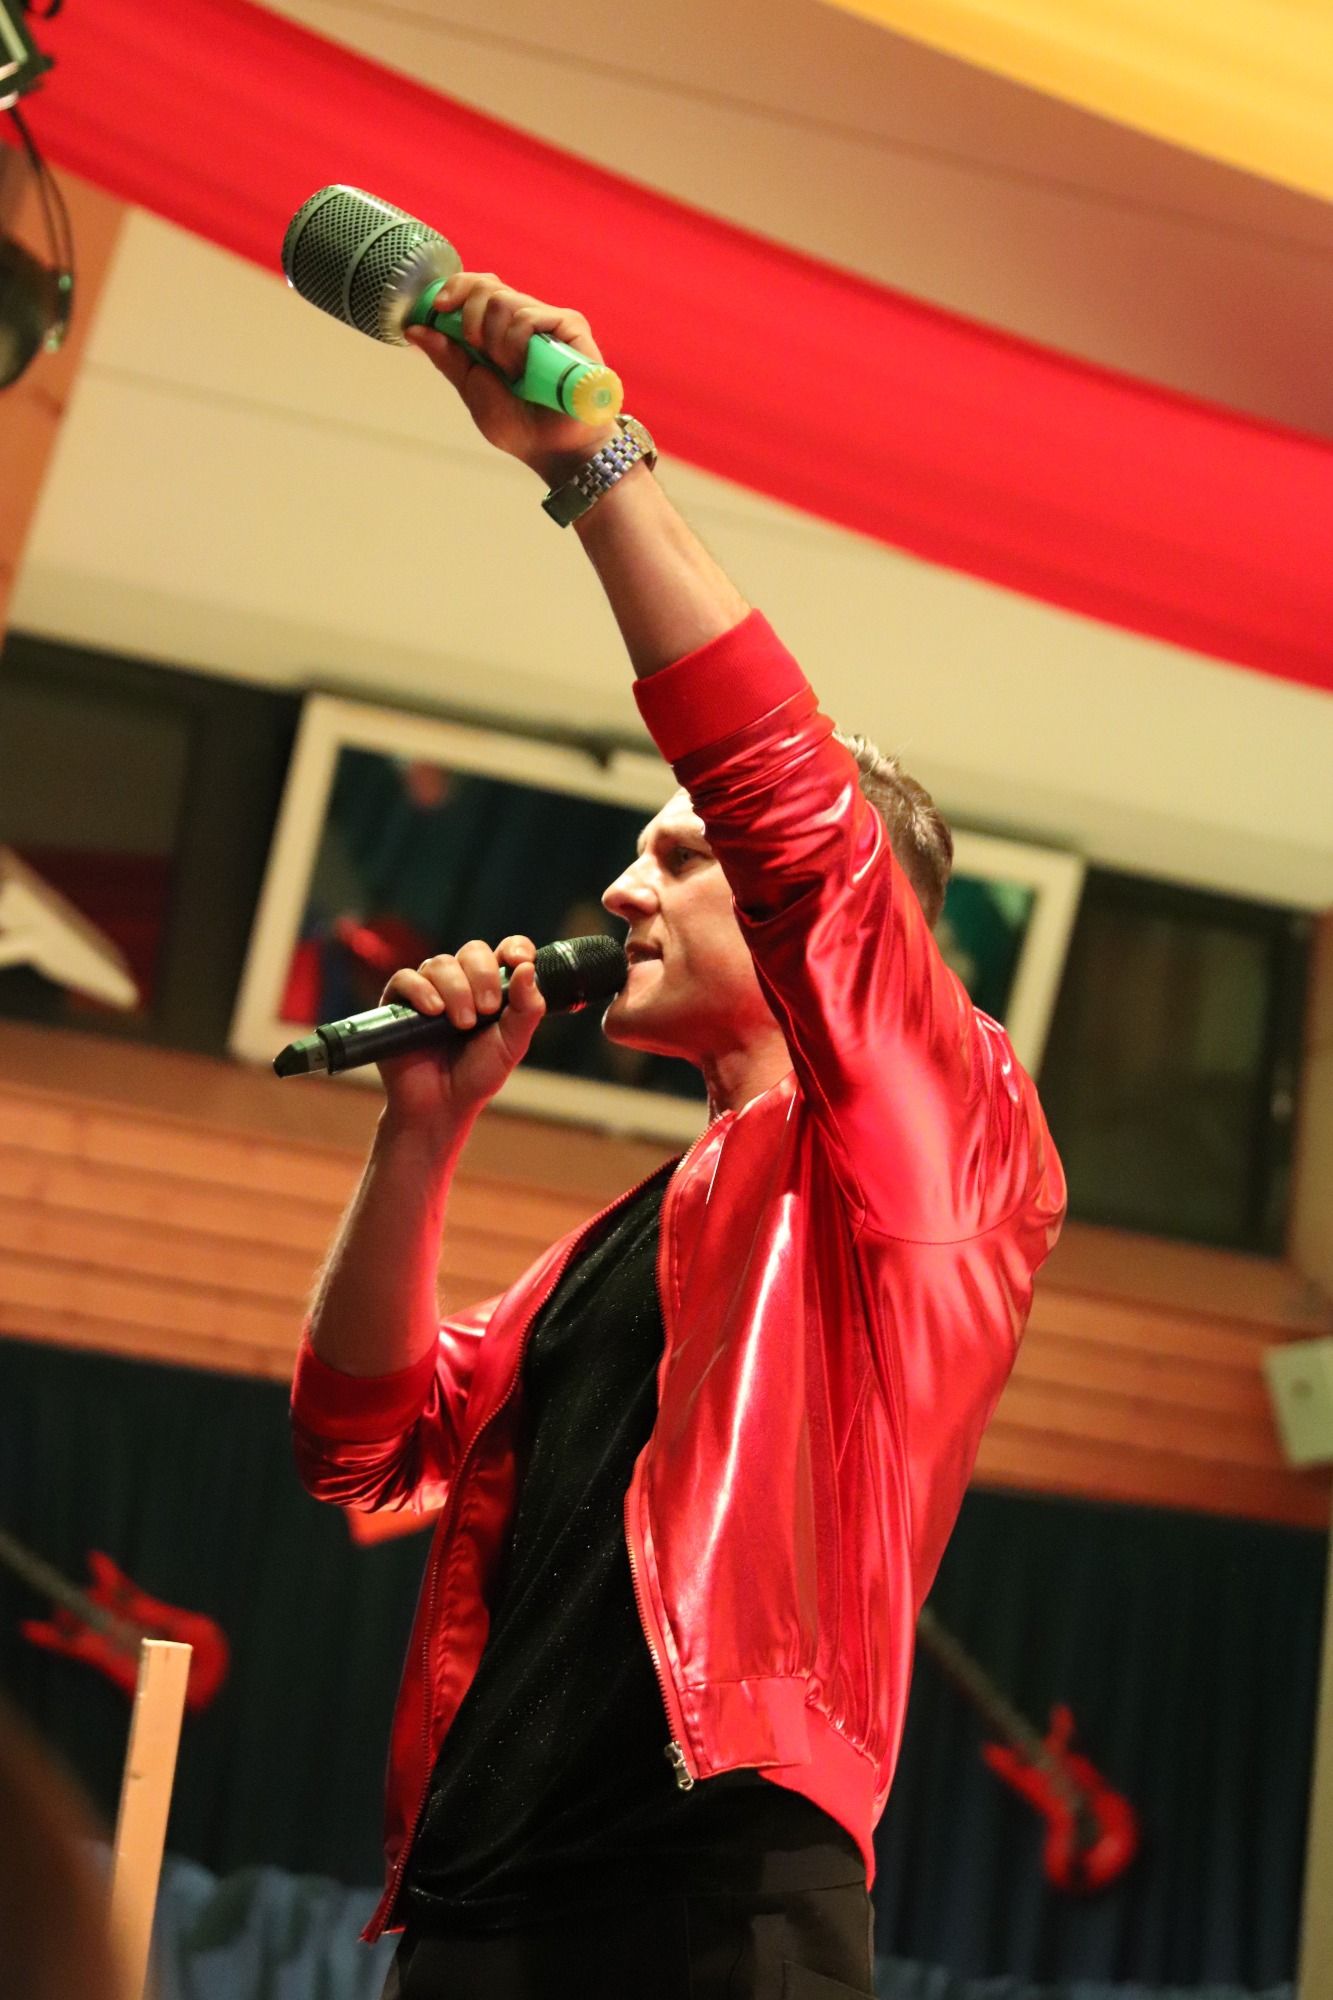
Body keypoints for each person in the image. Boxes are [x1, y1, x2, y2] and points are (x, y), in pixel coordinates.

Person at [289, 276, 1066, 2000]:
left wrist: (593, 468)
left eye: (681, 851)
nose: (623, 888)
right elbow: (361, 1447)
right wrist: (420, 1137)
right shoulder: (629, 1240)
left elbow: (792, 816)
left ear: (840, 922)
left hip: (709, 1882)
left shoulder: (951, 1144)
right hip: (471, 1900)